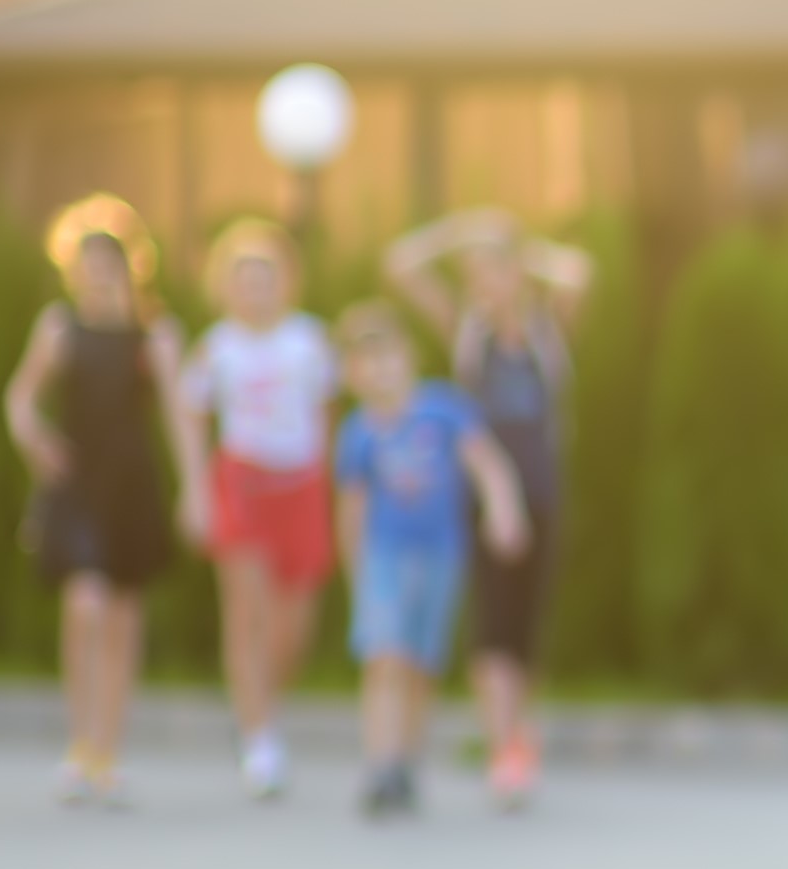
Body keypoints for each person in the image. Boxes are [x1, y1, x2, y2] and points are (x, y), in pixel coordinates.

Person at [383, 209, 588, 806]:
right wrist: (458, 233)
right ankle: (505, 748)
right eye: (478, 273)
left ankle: (519, 737)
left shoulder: (550, 334)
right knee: (492, 624)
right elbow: (401, 264)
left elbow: (580, 274)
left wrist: (520, 248)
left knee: (527, 629)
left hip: (544, 497)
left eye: (496, 270)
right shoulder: (465, 332)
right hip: (479, 503)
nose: (486, 283)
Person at [5, 195, 197, 808]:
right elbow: (20, 397)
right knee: (84, 605)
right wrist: (36, 439)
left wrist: (195, 488)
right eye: (88, 262)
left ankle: (107, 751)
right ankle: (79, 742)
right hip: (78, 484)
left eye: (109, 262)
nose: (99, 272)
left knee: (121, 619)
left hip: (131, 484)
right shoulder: (59, 327)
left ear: (129, 265)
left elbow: (180, 415)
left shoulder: (156, 333)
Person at [332, 301, 527, 819]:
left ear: (409, 357)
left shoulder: (442, 409)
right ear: (353, 375)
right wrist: (356, 573)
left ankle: (408, 759)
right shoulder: (359, 432)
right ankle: (381, 764)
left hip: (441, 555)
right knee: (385, 657)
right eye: (366, 362)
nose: (380, 370)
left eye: (388, 357)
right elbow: (351, 508)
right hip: (384, 557)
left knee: (420, 664)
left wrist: (503, 509)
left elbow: (485, 462)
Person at [175, 218, 337, 801]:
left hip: (300, 486)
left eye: (264, 276)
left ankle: (264, 707)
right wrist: (193, 490)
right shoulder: (217, 348)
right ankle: (259, 739)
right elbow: (190, 416)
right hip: (241, 482)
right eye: (243, 278)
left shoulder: (310, 342)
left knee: (294, 627)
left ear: (285, 282)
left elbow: (329, 417)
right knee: (248, 613)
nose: (254, 289)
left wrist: (332, 492)